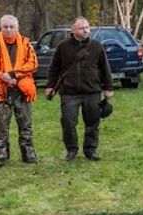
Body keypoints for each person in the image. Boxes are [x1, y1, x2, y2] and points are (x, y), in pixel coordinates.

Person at [45, 17, 113, 161]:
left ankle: (90, 150)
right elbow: (54, 68)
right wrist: (50, 86)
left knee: (92, 123)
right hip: (69, 92)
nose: (86, 30)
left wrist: (108, 88)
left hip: (92, 91)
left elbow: (105, 68)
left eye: (87, 27)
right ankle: (71, 150)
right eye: (82, 28)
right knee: (68, 122)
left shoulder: (96, 46)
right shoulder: (63, 47)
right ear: (74, 31)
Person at [0, 14, 39, 166]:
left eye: (12, 26)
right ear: (1, 28)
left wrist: (13, 75)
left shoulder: (26, 44)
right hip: (1, 91)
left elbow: (32, 64)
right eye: (5, 27)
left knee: (25, 123)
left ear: (17, 28)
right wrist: (2, 76)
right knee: (2, 125)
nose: (8, 29)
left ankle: (28, 153)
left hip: (21, 90)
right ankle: (2, 154)